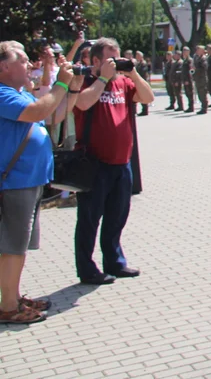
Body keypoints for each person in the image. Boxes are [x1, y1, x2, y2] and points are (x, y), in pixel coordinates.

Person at [0, 41, 82, 324]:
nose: (29, 64)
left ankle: (12, 296)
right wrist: (60, 83)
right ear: (4, 66)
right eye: (22, 60)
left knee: (17, 246)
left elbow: (54, 116)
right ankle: (8, 307)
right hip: (14, 182)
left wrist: (70, 89)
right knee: (11, 246)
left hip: (27, 180)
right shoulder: (2, 94)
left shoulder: (18, 94)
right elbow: (38, 112)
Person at [73, 38, 155, 285]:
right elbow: (83, 102)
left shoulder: (123, 82)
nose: (116, 63)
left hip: (122, 162)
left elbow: (148, 97)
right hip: (94, 163)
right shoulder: (85, 81)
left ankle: (114, 262)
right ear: (96, 60)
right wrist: (102, 78)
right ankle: (87, 269)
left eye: (118, 57)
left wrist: (133, 72)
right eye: (111, 58)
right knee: (89, 219)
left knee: (116, 217)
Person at [194, 45, 209, 115]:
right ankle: (203, 106)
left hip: (202, 78)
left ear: (202, 51)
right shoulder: (197, 58)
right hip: (198, 78)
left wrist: (197, 68)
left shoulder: (203, 58)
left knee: (203, 93)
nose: (197, 51)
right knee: (199, 93)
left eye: (198, 49)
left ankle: (204, 107)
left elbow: (205, 67)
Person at [134, 51, 150, 117]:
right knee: (140, 95)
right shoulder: (138, 63)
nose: (136, 57)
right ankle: (143, 109)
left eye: (138, 55)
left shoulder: (143, 63)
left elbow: (143, 72)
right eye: (136, 55)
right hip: (139, 81)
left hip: (142, 81)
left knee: (143, 95)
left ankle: (145, 110)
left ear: (141, 56)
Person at [179, 46, 195, 113]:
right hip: (185, 79)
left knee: (190, 93)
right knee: (187, 93)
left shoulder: (189, 60)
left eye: (185, 51)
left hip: (188, 80)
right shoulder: (184, 60)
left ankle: (191, 107)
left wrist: (189, 79)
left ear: (188, 52)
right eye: (183, 51)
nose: (184, 52)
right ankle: (189, 106)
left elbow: (191, 70)